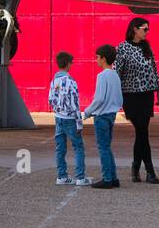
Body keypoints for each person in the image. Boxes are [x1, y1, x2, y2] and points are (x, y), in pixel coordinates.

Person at [113, 17, 159, 183]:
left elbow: (153, 69)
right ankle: (149, 170)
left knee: (142, 131)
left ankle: (137, 168)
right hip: (130, 95)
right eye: (144, 29)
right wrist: (115, 96)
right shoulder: (122, 48)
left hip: (146, 94)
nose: (147, 32)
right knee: (141, 131)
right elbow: (116, 72)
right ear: (135, 29)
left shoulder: (146, 47)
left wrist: (158, 91)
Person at [83, 44, 123, 188]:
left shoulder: (102, 76)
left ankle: (107, 178)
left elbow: (99, 99)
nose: (96, 60)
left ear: (103, 58)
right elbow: (119, 98)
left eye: (97, 57)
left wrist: (87, 112)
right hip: (112, 114)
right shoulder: (115, 75)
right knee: (107, 146)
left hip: (101, 116)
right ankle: (113, 177)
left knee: (103, 147)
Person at [49, 52, 90, 185]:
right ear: (67, 64)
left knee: (60, 147)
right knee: (78, 146)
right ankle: (80, 177)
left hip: (58, 117)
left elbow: (51, 100)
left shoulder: (54, 81)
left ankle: (61, 176)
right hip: (70, 118)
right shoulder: (71, 81)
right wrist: (79, 121)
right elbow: (74, 103)